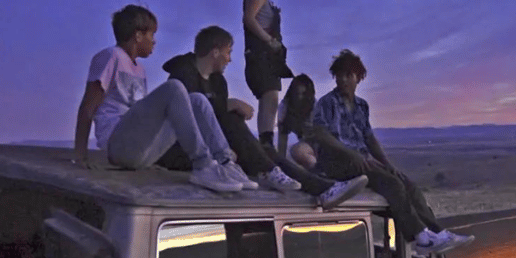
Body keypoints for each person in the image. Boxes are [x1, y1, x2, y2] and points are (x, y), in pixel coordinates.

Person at [155, 26, 369, 210]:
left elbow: (216, 121)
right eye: (228, 52)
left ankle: (324, 188)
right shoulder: (182, 75)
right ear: (215, 52)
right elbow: (188, 116)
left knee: (263, 150)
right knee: (232, 117)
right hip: (184, 151)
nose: (230, 58)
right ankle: (270, 172)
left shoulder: (218, 81)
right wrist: (229, 104)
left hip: (216, 151)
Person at [309, 49, 475, 254]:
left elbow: (369, 138)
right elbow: (320, 134)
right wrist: (351, 153)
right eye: (339, 75)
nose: (342, 80)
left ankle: (438, 233)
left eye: (348, 75)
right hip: (337, 162)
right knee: (392, 184)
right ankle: (421, 237)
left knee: (408, 184)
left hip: (361, 161)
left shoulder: (362, 106)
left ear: (358, 77)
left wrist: (387, 164)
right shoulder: (327, 103)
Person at [72, 5, 252, 193]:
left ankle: (226, 163)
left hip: (141, 154)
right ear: (138, 36)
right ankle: (203, 165)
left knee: (197, 99)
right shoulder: (111, 56)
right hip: (118, 145)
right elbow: (88, 106)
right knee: (174, 88)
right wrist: (80, 154)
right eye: (151, 35)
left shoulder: (139, 70)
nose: (154, 42)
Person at [243, 0, 293, 149]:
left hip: (266, 57)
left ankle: (266, 144)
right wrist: (269, 40)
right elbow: (248, 18)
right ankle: (267, 146)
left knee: (269, 99)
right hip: (260, 55)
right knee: (270, 97)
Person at [277, 74, 318, 170]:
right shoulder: (285, 106)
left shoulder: (315, 107)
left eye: (303, 94)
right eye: (296, 94)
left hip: (322, 146)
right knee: (296, 151)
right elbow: (282, 137)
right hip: (308, 148)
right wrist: (281, 164)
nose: (299, 98)